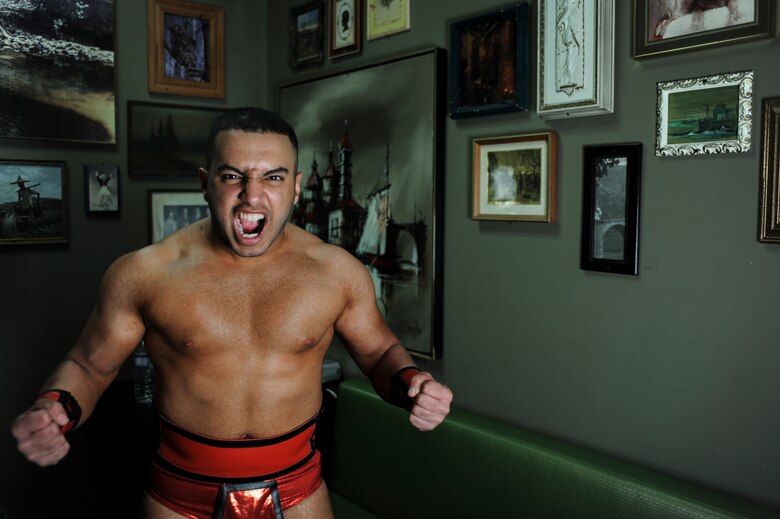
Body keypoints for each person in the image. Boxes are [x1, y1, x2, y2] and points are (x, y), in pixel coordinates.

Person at [11, 107, 453, 519]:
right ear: (205, 182)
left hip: (299, 493)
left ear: (296, 186)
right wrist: (54, 408)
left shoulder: (337, 272)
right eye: (232, 176)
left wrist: (411, 383)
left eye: (273, 177)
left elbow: (379, 353)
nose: (252, 196)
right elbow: (88, 367)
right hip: (179, 496)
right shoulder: (145, 273)